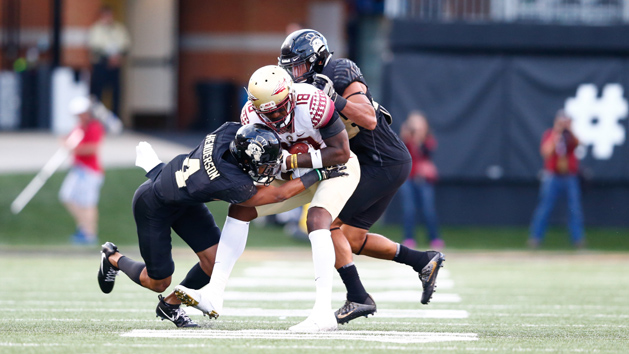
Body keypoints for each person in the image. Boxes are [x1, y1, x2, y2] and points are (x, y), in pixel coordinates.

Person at [97, 122, 347, 328]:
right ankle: (113, 258)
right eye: (261, 165)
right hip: (153, 205)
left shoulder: (231, 132)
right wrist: (320, 173)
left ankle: (170, 305)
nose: (266, 169)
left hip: (181, 194)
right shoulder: (227, 180)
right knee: (158, 281)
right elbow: (277, 195)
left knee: (214, 261)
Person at [174, 65, 362, 332]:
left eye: (279, 107)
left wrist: (294, 159)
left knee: (317, 218)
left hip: (335, 169)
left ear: (290, 95)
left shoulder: (312, 101)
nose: (275, 115)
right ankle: (214, 292)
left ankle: (323, 312)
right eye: (268, 111)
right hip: (294, 173)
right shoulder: (250, 115)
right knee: (241, 208)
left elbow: (341, 153)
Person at [278, 29, 446, 323]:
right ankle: (422, 260)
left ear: (316, 60)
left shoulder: (339, 72)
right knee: (352, 239)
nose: (294, 75)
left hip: (380, 162)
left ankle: (357, 296)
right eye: (289, 69)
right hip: (374, 163)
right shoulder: (305, 89)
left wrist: (334, 99)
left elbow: (367, 118)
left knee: (324, 222)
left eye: (299, 67)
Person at [529, 110, 586, 249]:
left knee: (575, 209)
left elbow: (580, 144)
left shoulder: (571, 137)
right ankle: (535, 238)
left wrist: (569, 130)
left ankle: (578, 240)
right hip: (552, 176)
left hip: (570, 176)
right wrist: (557, 132)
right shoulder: (550, 134)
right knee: (544, 208)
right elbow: (546, 152)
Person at [59, 96, 105, 245]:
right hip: (78, 169)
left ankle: (89, 234)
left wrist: (74, 148)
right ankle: (85, 228)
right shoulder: (79, 127)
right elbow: (71, 140)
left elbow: (93, 148)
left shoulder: (94, 126)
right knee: (68, 197)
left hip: (90, 171)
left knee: (88, 203)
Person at [398, 111, 444, 250]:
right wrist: (407, 136)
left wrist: (418, 139)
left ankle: (434, 238)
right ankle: (409, 238)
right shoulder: (405, 139)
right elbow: (402, 152)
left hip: (423, 179)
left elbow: (425, 154)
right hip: (408, 178)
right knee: (408, 209)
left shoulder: (428, 140)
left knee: (428, 209)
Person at [87, 5, 130, 117]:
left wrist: (117, 57)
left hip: (115, 65)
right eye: (105, 15)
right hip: (101, 65)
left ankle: (115, 118)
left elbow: (125, 45)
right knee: (98, 93)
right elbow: (94, 47)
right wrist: (108, 58)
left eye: (109, 15)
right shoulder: (96, 29)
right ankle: (96, 118)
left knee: (116, 94)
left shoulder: (119, 29)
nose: (108, 17)